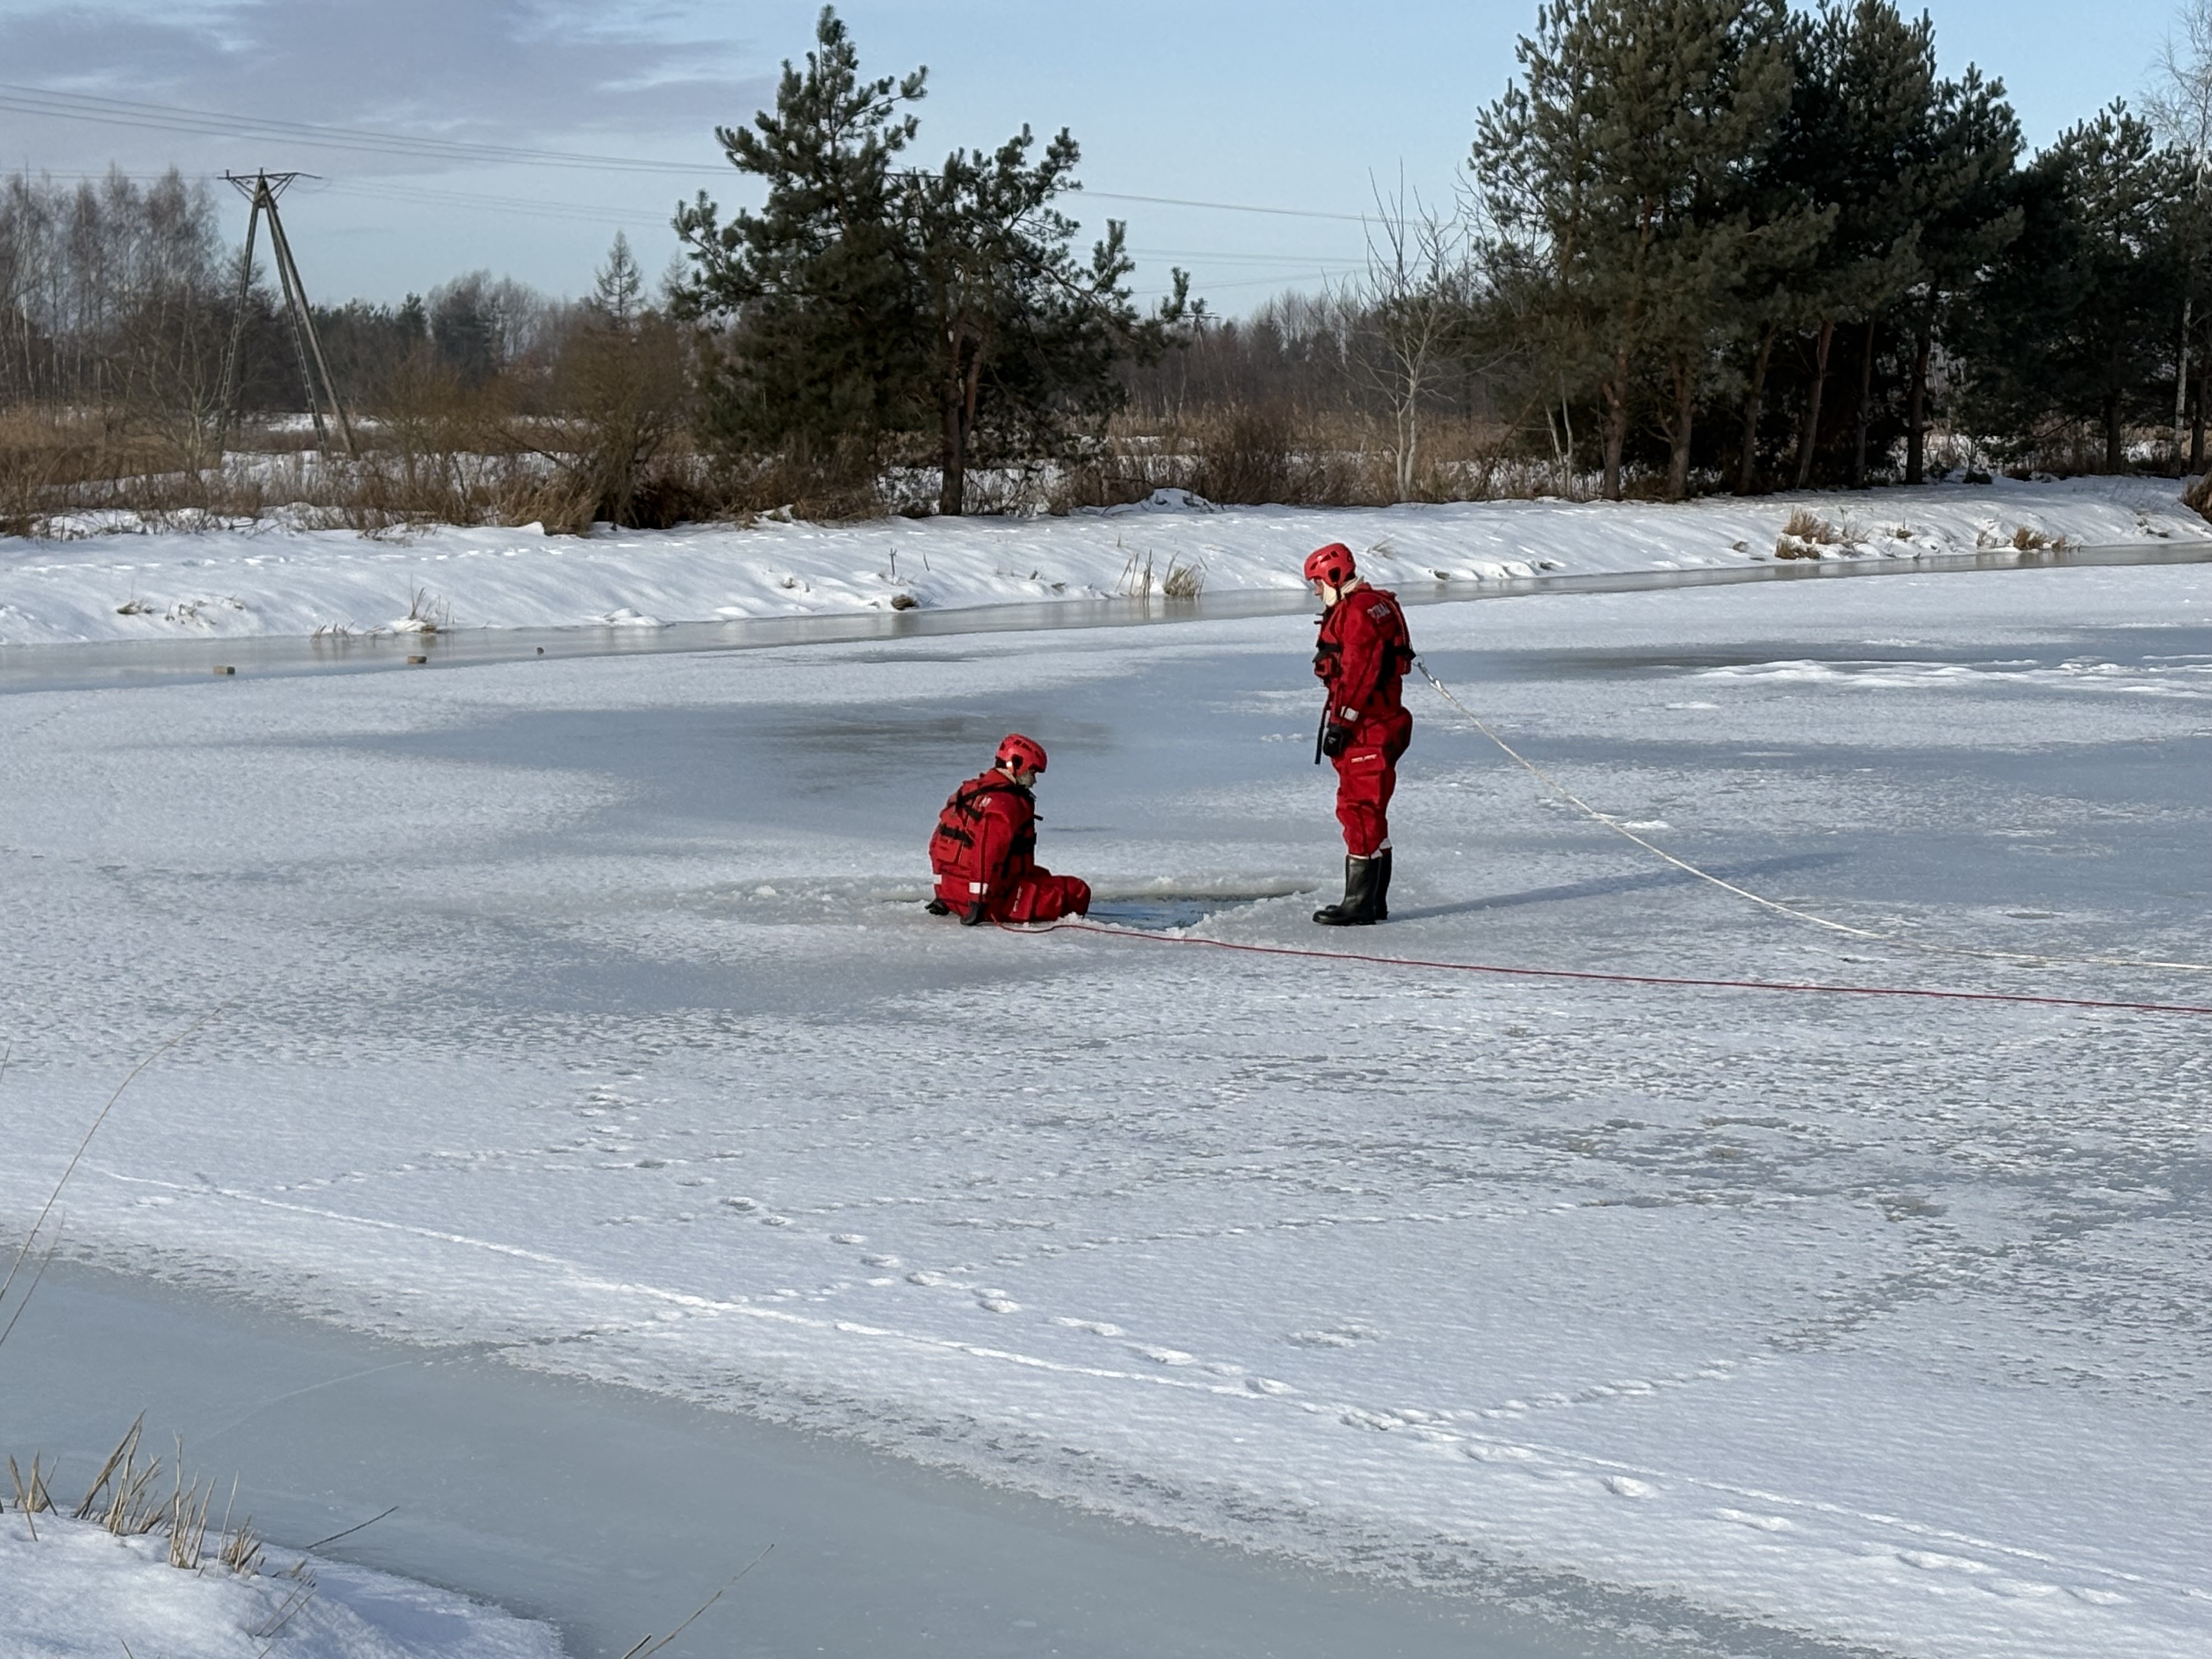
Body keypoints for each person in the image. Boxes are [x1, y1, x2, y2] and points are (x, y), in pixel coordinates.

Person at [1305, 542, 1413, 926]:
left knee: (1359, 810)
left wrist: (1341, 724)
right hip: (1385, 721)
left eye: (1317, 583)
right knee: (1373, 810)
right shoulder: (1377, 604)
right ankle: (1374, 902)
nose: (1316, 592)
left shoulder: (1358, 615)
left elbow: (1358, 674)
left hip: (1368, 729)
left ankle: (1360, 904)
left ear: (1334, 577)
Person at [927, 733, 1092, 926]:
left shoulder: (967, 791)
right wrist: (978, 903)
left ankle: (954, 897)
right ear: (1016, 764)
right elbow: (986, 854)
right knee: (1078, 891)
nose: (1034, 781)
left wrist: (942, 894)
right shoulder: (1004, 804)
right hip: (990, 903)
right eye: (1033, 773)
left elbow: (937, 845)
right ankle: (995, 903)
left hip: (953, 894)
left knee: (1041, 875)